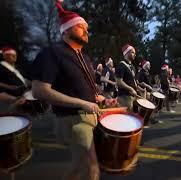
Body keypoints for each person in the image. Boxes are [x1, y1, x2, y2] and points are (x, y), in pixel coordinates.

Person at [31, 1, 104, 179]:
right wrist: (83, 103)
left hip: (89, 117)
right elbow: (39, 91)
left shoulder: (84, 57)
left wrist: (97, 97)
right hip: (73, 120)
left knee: (79, 169)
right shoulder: (52, 53)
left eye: (87, 27)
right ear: (66, 29)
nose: (86, 31)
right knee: (91, 169)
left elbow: (81, 88)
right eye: (80, 26)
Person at [115, 44, 145, 110]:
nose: (135, 55)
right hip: (124, 96)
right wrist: (131, 89)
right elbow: (119, 82)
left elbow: (133, 82)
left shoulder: (133, 67)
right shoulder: (121, 65)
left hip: (133, 96)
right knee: (126, 117)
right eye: (133, 52)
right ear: (127, 53)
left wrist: (140, 89)